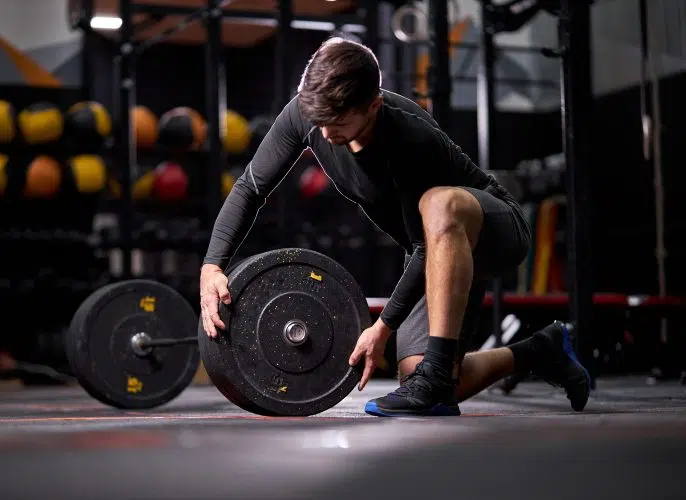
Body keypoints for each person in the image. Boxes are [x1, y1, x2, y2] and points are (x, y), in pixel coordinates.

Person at [199, 36, 591, 417]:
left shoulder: (409, 135)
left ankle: (436, 376)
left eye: (336, 122)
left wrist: (383, 327)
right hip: (436, 256)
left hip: (494, 230)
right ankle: (542, 350)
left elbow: (425, 242)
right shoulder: (306, 113)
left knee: (439, 202)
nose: (323, 134)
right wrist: (212, 264)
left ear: (373, 105)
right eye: (317, 121)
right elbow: (251, 187)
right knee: (417, 378)